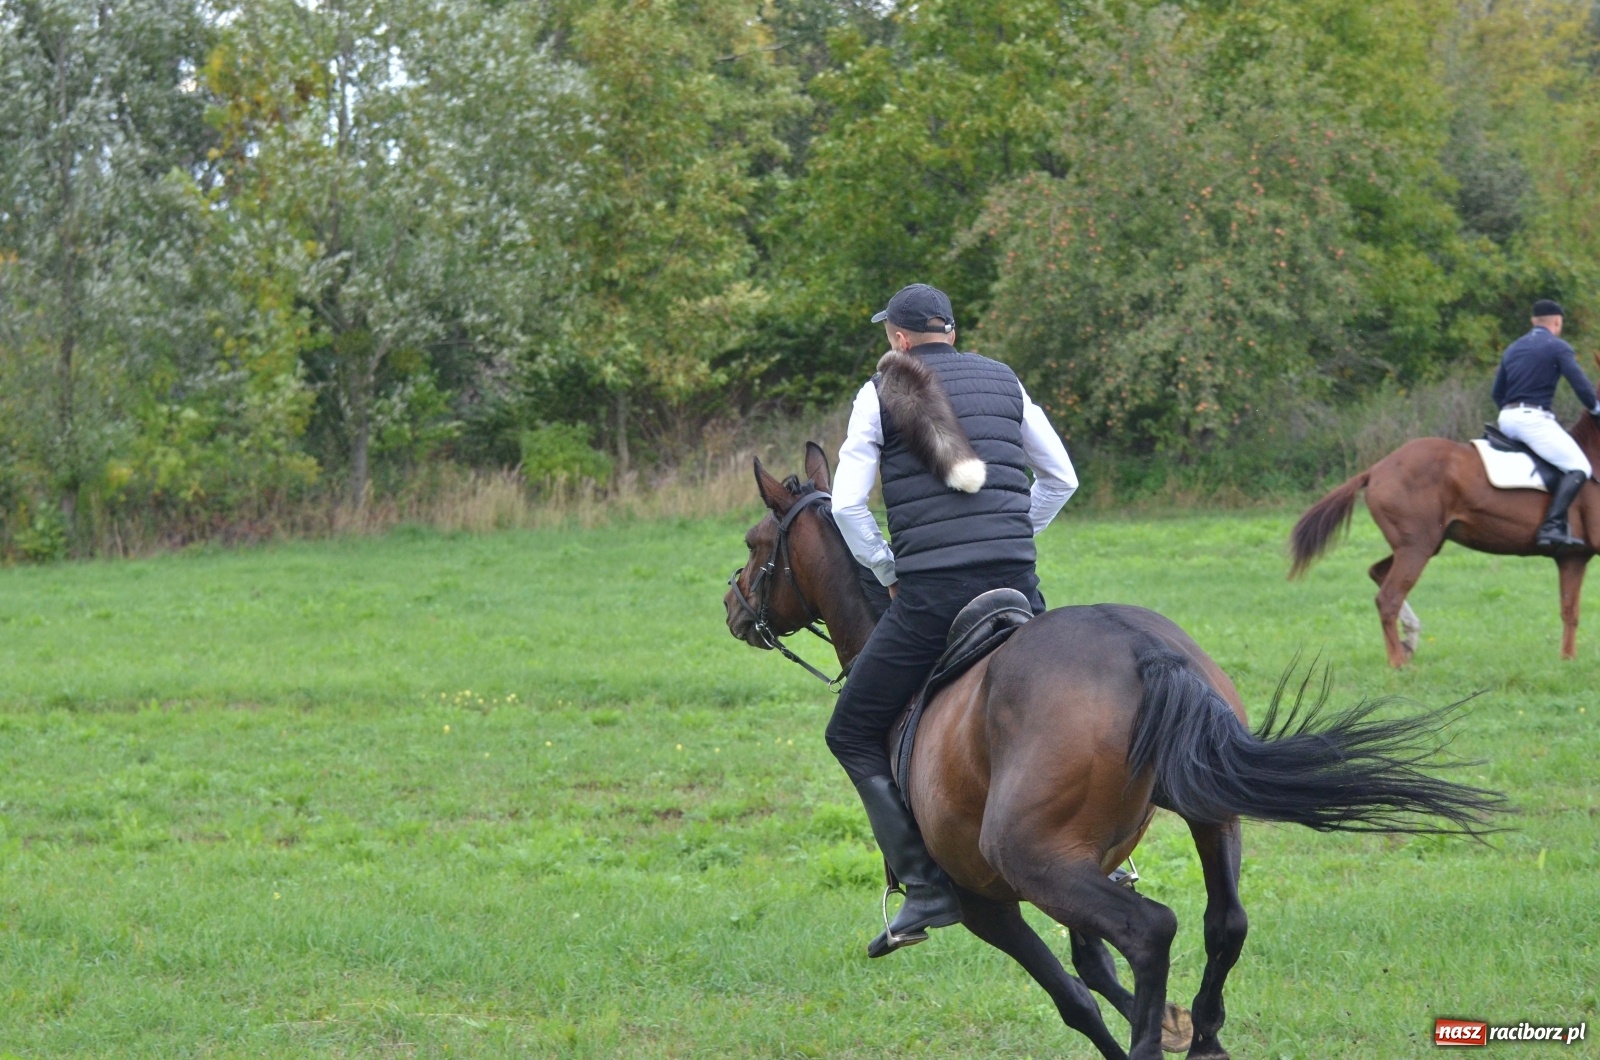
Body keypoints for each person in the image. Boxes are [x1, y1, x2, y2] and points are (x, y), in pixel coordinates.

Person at [828, 283, 1078, 957]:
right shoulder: (1006, 380)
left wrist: (887, 571)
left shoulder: (876, 393)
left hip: (934, 597)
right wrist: (1012, 532)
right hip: (1016, 584)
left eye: (890, 334)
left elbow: (846, 505)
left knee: (850, 730)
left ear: (900, 339)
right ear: (953, 334)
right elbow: (1062, 478)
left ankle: (925, 887)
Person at [1492, 299, 1600, 550]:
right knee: (1579, 467)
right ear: (1557, 322)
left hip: (1506, 419)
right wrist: (1596, 408)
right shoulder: (1558, 347)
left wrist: (1511, 413)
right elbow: (1581, 385)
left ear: (1533, 322)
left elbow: (1497, 393)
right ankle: (1552, 526)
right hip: (1533, 419)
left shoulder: (1513, 348)